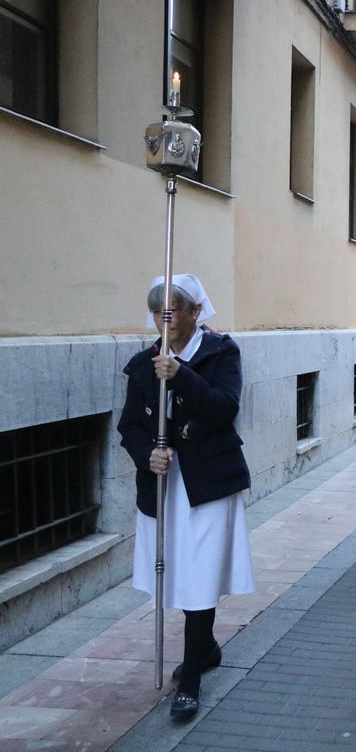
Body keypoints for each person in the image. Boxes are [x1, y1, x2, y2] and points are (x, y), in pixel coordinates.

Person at [118, 274, 255, 722]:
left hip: (207, 483)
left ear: (197, 312)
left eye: (175, 311)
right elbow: (129, 427)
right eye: (160, 312)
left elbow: (224, 408)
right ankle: (207, 647)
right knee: (172, 571)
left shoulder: (220, 353)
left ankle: (192, 675)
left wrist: (182, 376)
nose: (167, 320)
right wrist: (147, 455)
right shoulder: (143, 364)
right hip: (163, 486)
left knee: (200, 574)